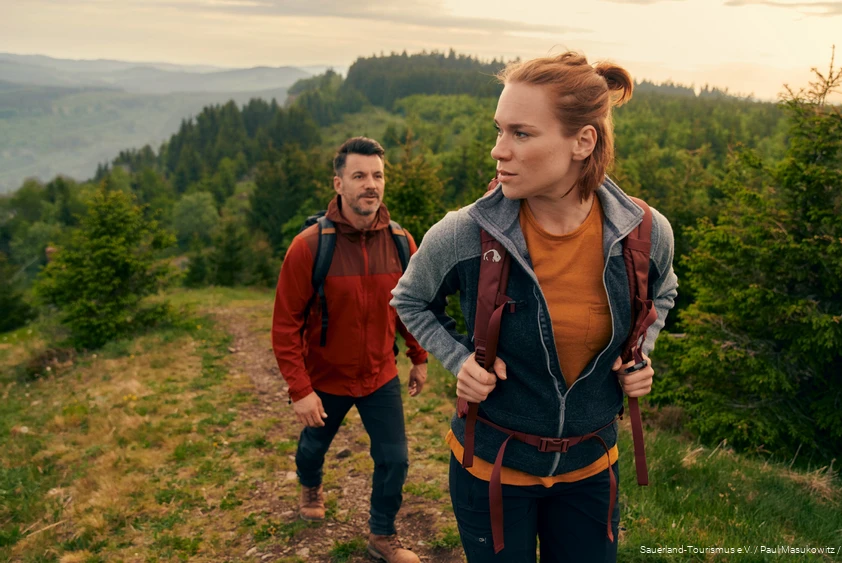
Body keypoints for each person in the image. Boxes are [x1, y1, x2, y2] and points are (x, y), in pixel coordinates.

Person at [390, 52, 677, 562]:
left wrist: (638, 351)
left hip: (592, 470)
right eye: (499, 131)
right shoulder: (465, 232)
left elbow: (663, 291)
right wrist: (459, 360)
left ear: (582, 142)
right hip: (493, 471)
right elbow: (409, 298)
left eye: (521, 134)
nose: (498, 151)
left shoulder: (644, 232)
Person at [272, 137, 428, 563]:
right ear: (338, 183)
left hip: (379, 375)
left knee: (394, 459)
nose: (370, 185)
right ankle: (310, 482)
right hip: (325, 379)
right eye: (359, 176)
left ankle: (381, 536)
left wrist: (417, 358)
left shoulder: (401, 242)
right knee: (313, 448)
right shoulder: (309, 246)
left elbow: (408, 307)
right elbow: (285, 324)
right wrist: (300, 390)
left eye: (377, 175)